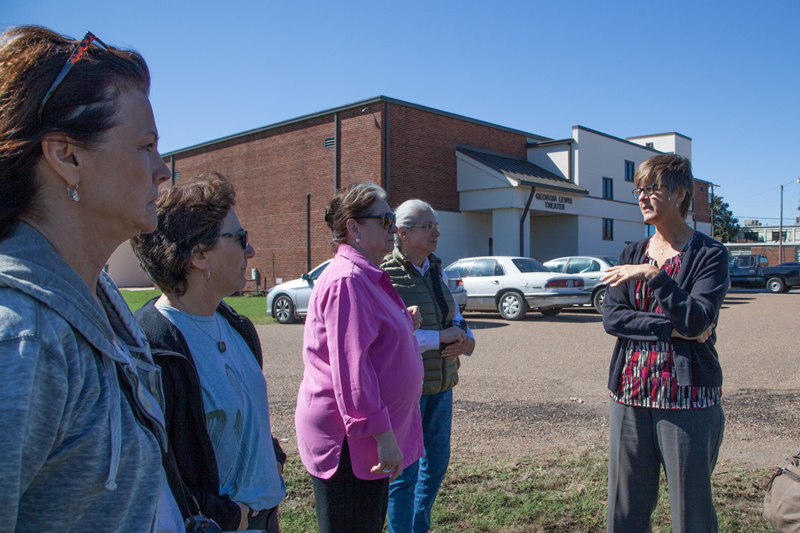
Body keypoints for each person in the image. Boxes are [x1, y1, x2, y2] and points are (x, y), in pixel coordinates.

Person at [0, 26, 185, 531]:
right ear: (67, 155)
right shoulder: (22, 339)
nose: (162, 170)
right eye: (145, 145)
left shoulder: (96, 295)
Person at [132, 173, 287, 532]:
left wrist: (274, 457)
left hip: (265, 518)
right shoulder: (150, 347)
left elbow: (248, 419)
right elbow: (153, 470)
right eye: (240, 239)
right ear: (199, 255)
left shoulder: (238, 327)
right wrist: (226, 515)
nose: (251, 251)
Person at [601, 154, 729, 533]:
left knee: (691, 513)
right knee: (625, 509)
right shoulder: (629, 254)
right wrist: (673, 330)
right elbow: (614, 319)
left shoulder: (709, 254)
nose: (642, 197)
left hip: (687, 401)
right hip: (630, 394)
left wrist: (654, 276)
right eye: (639, 189)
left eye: (651, 188)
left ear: (680, 194)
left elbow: (698, 319)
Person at [295, 182, 425, 533]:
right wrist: (383, 438)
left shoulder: (364, 275)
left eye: (393, 219)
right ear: (354, 228)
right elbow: (352, 370)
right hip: (352, 441)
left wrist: (402, 321)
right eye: (384, 220)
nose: (393, 229)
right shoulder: (347, 280)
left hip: (364, 436)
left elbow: (367, 338)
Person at [383, 199, 476, 533]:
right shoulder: (385, 275)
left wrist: (467, 341)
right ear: (403, 233)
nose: (437, 231)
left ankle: (417, 527)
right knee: (404, 475)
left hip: (442, 387)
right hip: (408, 392)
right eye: (428, 226)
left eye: (436, 225)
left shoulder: (437, 269)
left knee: (435, 466)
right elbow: (389, 338)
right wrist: (441, 338)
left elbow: (458, 321)